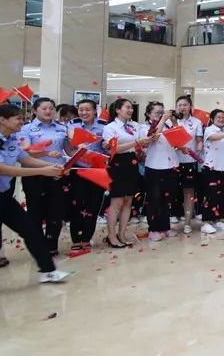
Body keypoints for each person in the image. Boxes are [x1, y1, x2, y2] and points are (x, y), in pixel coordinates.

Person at [0, 104, 71, 298]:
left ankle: (48, 271)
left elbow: (26, 159)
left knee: (31, 230)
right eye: (18, 118)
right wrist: (43, 171)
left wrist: (53, 167)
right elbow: (0, 169)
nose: (22, 121)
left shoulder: (12, 139)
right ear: (3, 120)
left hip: (3, 196)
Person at [19, 97, 69, 256]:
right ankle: (38, 246)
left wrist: (79, 148)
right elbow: (26, 151)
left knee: (56, 211)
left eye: (51, 108)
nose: (48, 111)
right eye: (44, 108)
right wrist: (47, 153)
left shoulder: (62, 128)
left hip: (57, 174)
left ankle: (51, 245)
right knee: (35, 211)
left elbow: (68, 149)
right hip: (35, 174)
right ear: (35, 110)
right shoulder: (26, 129)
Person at [100, 98, 146, 247]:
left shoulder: (134, 125)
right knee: (117, 201)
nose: (130, 110)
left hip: (132, 162)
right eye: (127, 107)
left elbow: (140, 143)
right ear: (118, 110)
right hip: (118, 163)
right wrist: (137, 143)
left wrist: (140, 147)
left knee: (128, 201)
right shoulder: (111, 127)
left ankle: (122, 234)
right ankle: (111, 236)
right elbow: (114, 149)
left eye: (131, 107)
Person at [67, 99, 107, 251]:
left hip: (97, 170)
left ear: (95, 111)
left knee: (93, 205)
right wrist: (76, 146)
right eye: (81, 110)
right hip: (78, 170)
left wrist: (107, 146)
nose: (84, 113)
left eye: (87, 110)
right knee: (76, 204)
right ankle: (76, 238)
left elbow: (108, 148)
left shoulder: (104, 126)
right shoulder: (73, 125)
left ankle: (86, 238)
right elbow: (69, 146)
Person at [140, 101, 178, 239]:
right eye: (157, 113)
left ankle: (165, 227)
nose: (161, 115)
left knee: (166, 199)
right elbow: (153, 137)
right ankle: (153, 229)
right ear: (148, 114)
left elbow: (179, 139)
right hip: (154, 167)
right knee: (154, 199)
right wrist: (163, 119)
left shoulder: (167, 125)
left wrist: (174, 122)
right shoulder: (144, 127)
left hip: (170, 165)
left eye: (162, 112)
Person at [199, 109, 224, 234]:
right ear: (212, 119)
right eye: (219, 117)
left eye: (223, 117)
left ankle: (218, 219)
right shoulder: (210, 130)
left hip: (223, 168)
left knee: (222, 196)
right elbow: (214, 138)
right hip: (211, 168)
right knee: (210, 196)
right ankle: (206, 222)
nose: (222, 119)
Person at [172, 96, 203, 227]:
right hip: (172, 161)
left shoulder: (196, 122)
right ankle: (174, 214)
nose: (182, 107)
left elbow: (199, 140)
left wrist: (199, 148)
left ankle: (187, 222)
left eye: (185, 105)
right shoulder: (172, 121)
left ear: (190, 107)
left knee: (189, 191)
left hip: (190, 161)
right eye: (179, 105)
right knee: (173, 190)